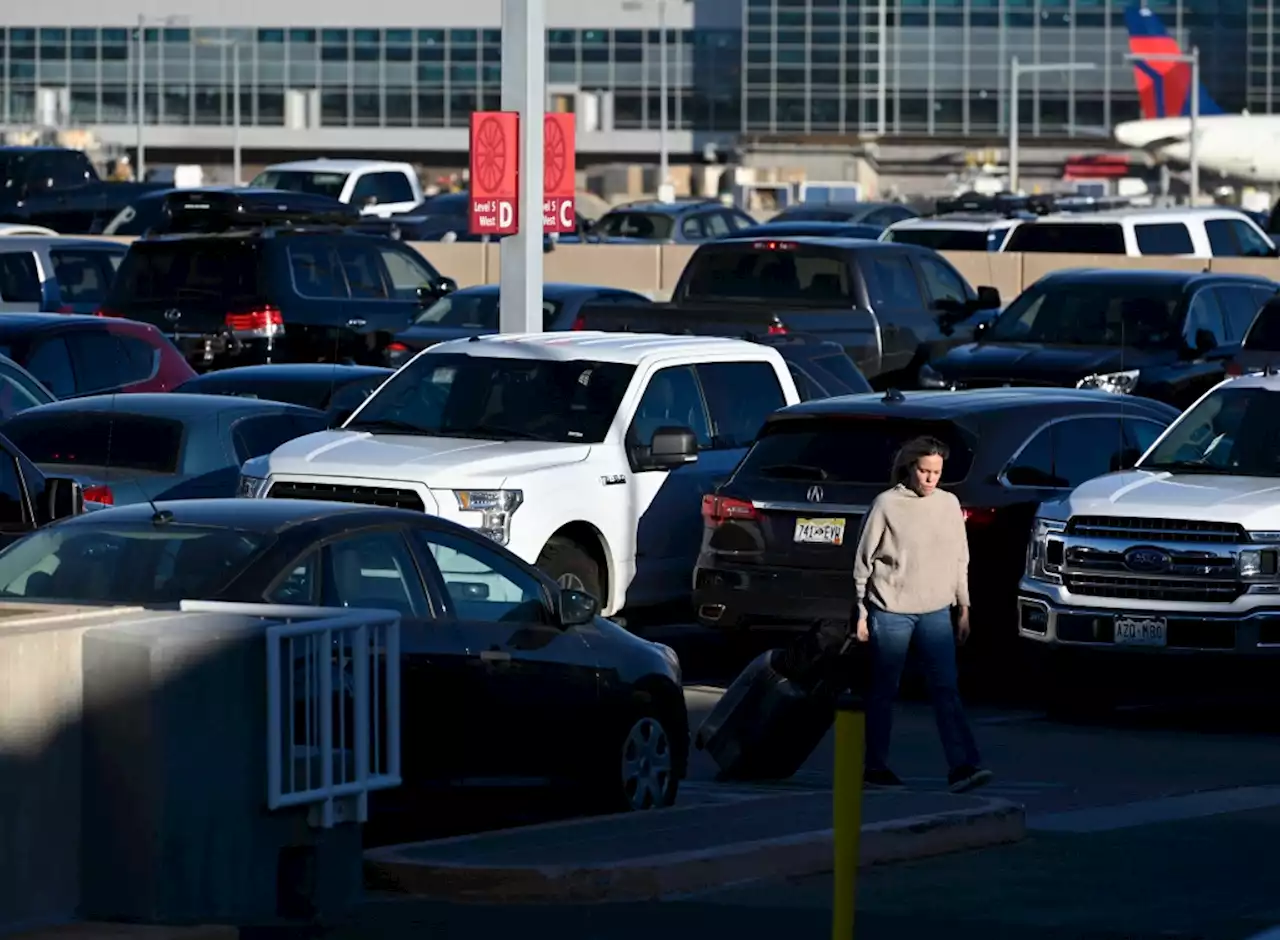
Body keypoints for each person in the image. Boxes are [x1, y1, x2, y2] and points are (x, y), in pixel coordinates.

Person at [852, 436, 992, 794]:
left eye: (937, 473)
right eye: (924, 471)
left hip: (936, 611)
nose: (930, 479)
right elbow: (862, 562)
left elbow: (960, 558)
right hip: (891, 609)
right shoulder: (886, 504)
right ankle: (875, 767)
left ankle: (963, 766)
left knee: (946, 688)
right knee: (885, 689)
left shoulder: (948, 504)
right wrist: (861, 612)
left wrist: (964, 607)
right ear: (909, 468)